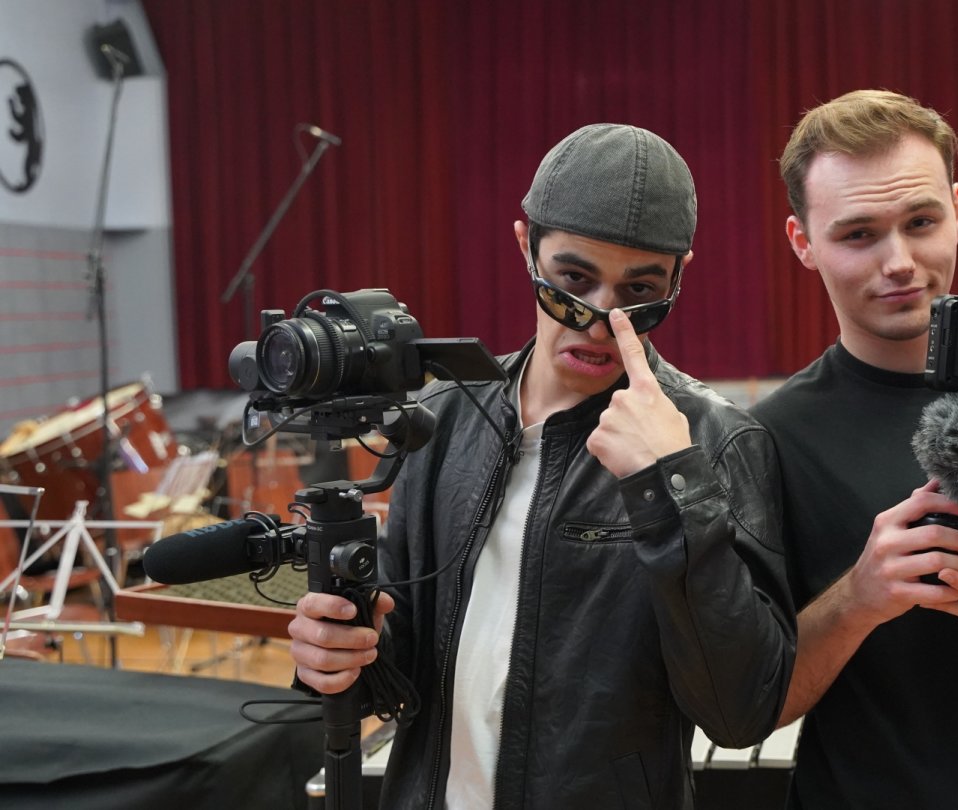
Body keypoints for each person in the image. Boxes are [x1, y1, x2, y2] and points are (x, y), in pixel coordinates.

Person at [289, 123, 796, 809]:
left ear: (680, 276)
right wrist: (342, 650)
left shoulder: (716, 441)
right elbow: (405, 663)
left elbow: (738, 714)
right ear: (526, 246)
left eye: (639, 293)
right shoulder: (444, 417)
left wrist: (672, 485)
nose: (598, 321)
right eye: (573, 282)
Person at [751, 89, 958, 809]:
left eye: (921, 221)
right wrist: (857, 598)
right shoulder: (768, 436)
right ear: (802, 243)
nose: (899, 261)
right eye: (859, 234)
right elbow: (751, 707)